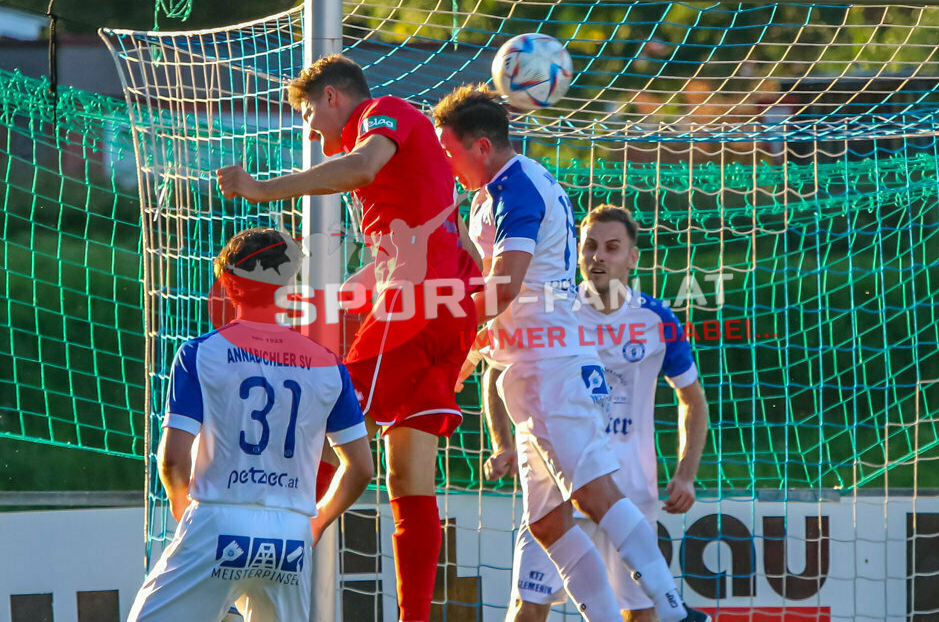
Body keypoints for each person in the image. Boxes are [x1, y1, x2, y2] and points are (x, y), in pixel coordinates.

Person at [217, 54, 480, 621]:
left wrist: (262, 190)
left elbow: (362, 167)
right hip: (444, 307)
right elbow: (462, 248)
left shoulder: (381, 113)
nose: (310, 130)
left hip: (413, 313)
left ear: (334, 97)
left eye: (310, 113)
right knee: (407, 471)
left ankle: (245, 573)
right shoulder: (413, 156)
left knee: (317, 432)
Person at [433, 84, 699, 622]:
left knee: (592, 497)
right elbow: (506, 296)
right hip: (526, 369)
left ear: (481, 146)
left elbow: (504, 287)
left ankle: (675, 612)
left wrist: (437, 325)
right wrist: (470, 350)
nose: (446, 162)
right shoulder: (494, 192)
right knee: (548, 523)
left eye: (449, 151)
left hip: (553, 368)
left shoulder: (518, 189)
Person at [127, 228, 373, 622]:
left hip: (217, 520)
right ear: (289, 284)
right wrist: (317, 521)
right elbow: (361, 468)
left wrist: (182, 510)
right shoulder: (329, 365)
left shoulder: (200, 353)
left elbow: (173, 457)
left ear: (228, 285)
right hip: (291, 535)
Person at [494, 204, 710, 621]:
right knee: (528, 608)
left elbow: (693, 400)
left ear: (632, 257)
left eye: (612, 248)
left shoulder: (657, 319)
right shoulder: (550, 310)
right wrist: (504, 443)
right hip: (559, 491)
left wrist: (686, 471)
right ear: (576, 252)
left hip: (628, 493)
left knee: (640, 615)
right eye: (590, 246)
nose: (598, 257)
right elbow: (498, 374)